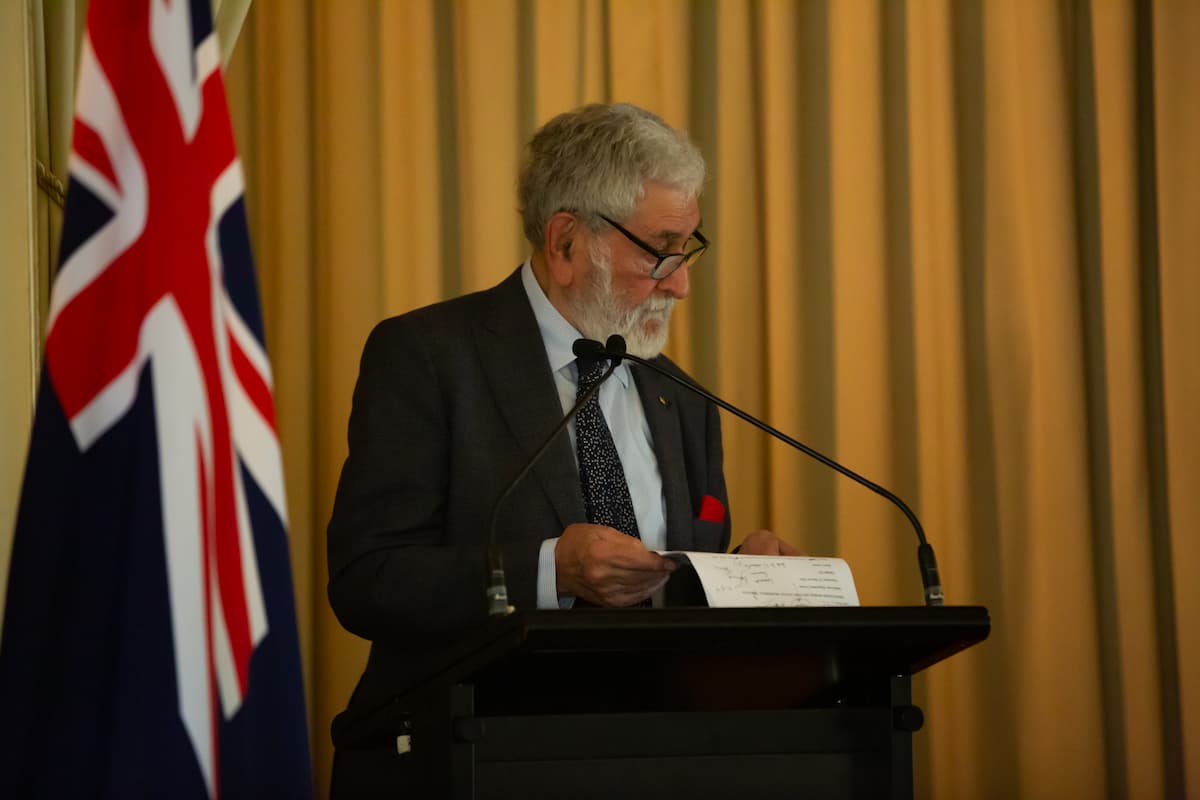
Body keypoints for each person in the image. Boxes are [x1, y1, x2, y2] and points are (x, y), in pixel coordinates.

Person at [325, 102, 795, 794]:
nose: (681, 281)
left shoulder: (680, 395)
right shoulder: (428, 357)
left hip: (650, 763)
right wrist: (550, 570)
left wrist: (737, 583)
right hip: (465, 761)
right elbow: (369, 581)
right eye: (660, 250)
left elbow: (658, 594)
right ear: (568, 243)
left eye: (688, 248)